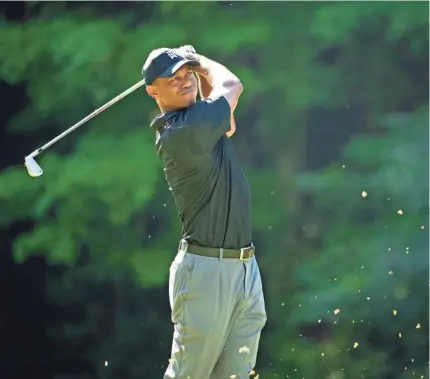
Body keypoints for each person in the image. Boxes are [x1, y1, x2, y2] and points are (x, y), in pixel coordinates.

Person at [142, 46, 267, 379]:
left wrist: (193, 69)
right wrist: (197, 61)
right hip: (207, 271)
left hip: (244, 266)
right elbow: (232, 86)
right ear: (153, 91)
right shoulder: (183, 132)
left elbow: (229, 123)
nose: (185, 82)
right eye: (174, 79)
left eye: (188, 75)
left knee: (236, 374)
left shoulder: (200, 121)